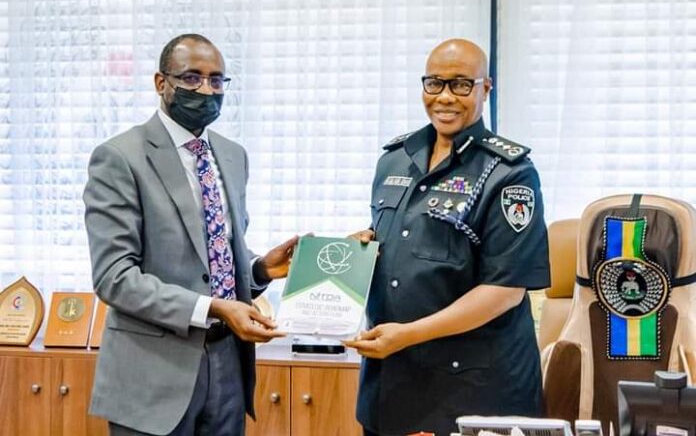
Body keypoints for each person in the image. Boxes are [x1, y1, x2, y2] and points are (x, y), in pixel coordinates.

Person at [83, 33, 297, 436]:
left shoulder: (232, 155)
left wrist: (260, 269)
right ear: (161, 83)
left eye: (217, 80)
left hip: (227, 364)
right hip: (153, 374)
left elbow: (211, 255)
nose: (206, 89)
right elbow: (115, 278)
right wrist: (213, 307)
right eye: (192, 78)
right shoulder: (120, 157)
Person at [344, 39, 551, 436]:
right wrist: (357, 251)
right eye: (434, 83)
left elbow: (505, 290)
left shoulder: (510, 173)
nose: (444, 97)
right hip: (394, 382)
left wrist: (407, 335)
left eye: (460, 85)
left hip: (474, 391)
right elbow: (400, 248)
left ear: (485, 89)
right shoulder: (395, 158)